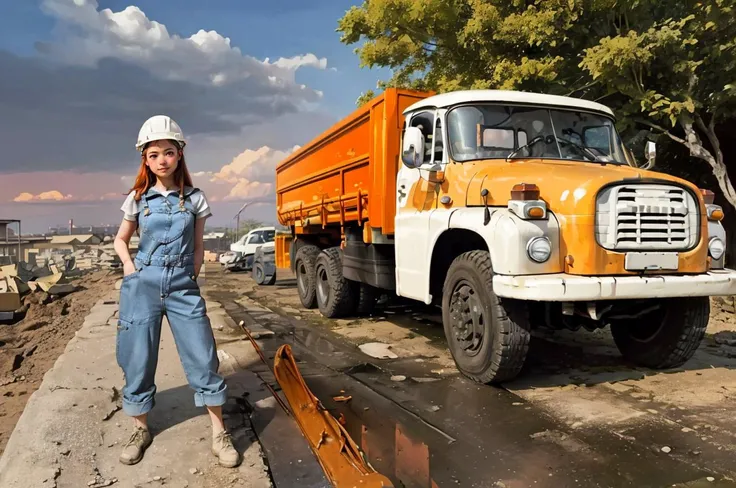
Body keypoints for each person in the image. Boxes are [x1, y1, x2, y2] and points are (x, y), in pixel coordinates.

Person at [113, 115, 240, 468]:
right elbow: (120, 240)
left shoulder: (196, 199)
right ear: (146, 160)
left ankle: (218, 432)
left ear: (180, 154)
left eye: (168, 152)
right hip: (143, 286)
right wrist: (130, 268)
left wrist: (193, 275)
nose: (162, 160)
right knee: (138, 357)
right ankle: (140, 428)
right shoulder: (138, 199)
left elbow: (198, 245)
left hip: (183, 285)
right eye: (154, 155)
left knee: (203, 354)